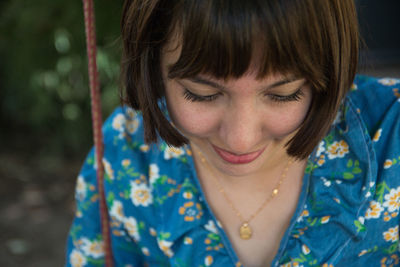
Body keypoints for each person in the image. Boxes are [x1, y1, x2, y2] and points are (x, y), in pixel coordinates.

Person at [66, 0, 400, 266]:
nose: (241, 139)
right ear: (154, 68)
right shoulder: (125, 156)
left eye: (284, 94)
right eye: (201, 93)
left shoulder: (391, 134)